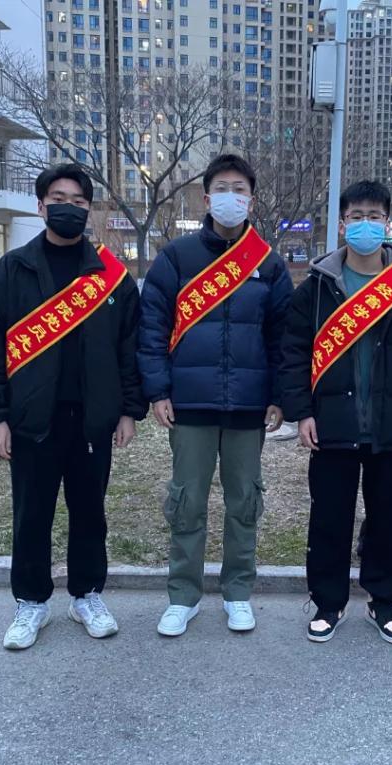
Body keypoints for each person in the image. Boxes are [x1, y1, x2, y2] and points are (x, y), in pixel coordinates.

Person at [0, 163, 147, 650]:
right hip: (31, 421)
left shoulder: (112, 277)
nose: (69, 208)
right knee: (32, 515)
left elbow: (130, 349)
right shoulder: (12, 271)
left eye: (79, 202)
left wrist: (129, 410)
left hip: (92, 420)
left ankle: (86, 595)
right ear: (41, 206)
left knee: (90, 514)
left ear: (89, 209)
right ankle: (31, 602)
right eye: (59, 199)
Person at [280, 180, 392, 645]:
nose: (365, 225)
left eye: (374, 216)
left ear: (387, 223)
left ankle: (384, 600)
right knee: (329, 518)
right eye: (356, 217)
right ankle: (327, 603)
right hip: (333, 423)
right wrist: (302, 412)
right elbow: (294, 355)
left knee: (389, 518)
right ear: (342, 224)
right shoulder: (316, 288)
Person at [138, 154, 293, 637]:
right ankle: (182, 597)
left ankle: (237, 592)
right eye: (222, 189)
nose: (231, 197)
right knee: (187, 502)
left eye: (240, 189)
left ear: (251, 200)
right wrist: (158, 391)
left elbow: (283, 338)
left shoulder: (268, 263)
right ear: (206, 199)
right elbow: (152, 328)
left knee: (244, 501)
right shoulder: (176, 257)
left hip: (248, 404)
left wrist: (279, 396)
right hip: (190, 403)